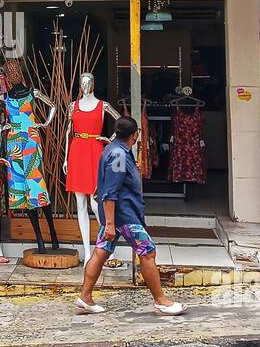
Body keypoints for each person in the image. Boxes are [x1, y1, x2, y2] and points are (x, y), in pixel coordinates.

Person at [75, 115, 184, 316]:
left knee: (101, 251)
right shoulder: (118, 155)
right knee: (148, 252)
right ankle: (161, 301)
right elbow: (110, 191)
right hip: (123, 216)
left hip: (116, 216)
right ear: (135, 135)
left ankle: (85, 296)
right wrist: (109, 223)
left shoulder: (113, 149)